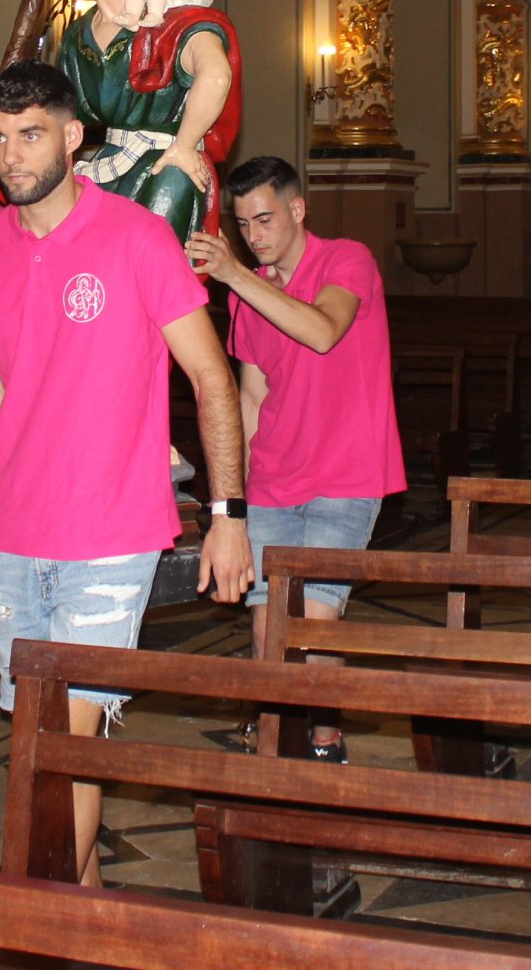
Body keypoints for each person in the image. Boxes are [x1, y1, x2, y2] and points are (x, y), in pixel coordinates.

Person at [0, 61, 251, 885]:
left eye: (31, 134)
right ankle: (80, 920)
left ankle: (35, 918)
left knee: (65, 746)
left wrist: (228, 514)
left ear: (73, 137)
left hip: (110, 530)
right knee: (36, 741)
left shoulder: (136, 236)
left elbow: (211, 376)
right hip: (14, 532)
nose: (11, 155)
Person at [186, 155, 404, 761]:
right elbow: (251, 397)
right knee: (266, 629)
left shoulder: (346, 260)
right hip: (274, 481)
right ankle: (274, 749)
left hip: (345, 475)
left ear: (298, 209)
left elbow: (323, 331)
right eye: (243, 225)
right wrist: (235, 502)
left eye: (265, 220)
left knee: (315, 622)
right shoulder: (247, 294)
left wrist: (235, 275)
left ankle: (326, 739)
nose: (253, 236)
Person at [55, 0, 237, 243]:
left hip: (166, 164)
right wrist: (5, 114)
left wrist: (184, 146)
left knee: (150, 254)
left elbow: (215, 75)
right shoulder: (77, 37)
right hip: (109, 164)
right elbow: (57, 109)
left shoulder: (172, 19)